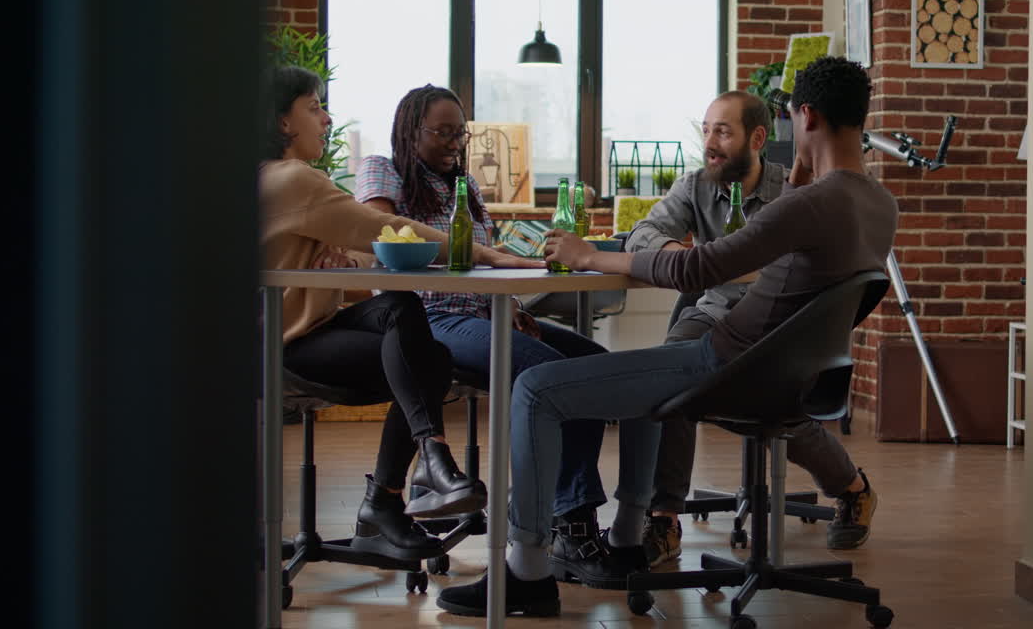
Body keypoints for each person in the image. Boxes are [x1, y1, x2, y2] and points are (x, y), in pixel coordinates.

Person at [436, 57, 897, 617]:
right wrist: (803, 171)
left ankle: (524, 571)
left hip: (723, 362)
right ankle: (630, 537)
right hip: (780, 372)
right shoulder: (878, 204)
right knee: (637, 370)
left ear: (805, 116)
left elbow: (696, 271)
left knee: (535, 389)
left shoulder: (807, 203)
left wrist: (589, 255)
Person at [260, 66, 538, 559]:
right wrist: (483, 252)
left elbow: (354, 260)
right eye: (315, 107)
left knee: (409, 321)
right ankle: (396, 489)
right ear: (283, 122)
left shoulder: (282, 181)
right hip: (287, 345)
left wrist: (345, 262)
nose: (327, 119)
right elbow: (385, 226)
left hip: (314, 327)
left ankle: (417, 474)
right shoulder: (292, 179)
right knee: (426, 355)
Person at [355, 85, 616, 586]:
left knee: (595, 366)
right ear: (411, 131)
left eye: (461, 132)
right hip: (425, 320)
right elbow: (385, 236)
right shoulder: (380, 169)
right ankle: (559, 526)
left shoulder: (465, 185)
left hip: (482, 313)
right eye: (443, 132)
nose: (455, 143)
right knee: (553, 377)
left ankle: (568, 521)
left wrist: (512, 303)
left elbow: (484, 258)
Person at [627, 90, 878, 565]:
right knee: (669, 372)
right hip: (716, 314)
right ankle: (664, 518)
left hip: (784, 323)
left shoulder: (797, 190)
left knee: (779, 400)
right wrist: (682, 255)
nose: (710, 143)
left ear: (758, 137)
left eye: (722, 131)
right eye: (706, 130)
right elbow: (643, 232)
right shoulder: (695, 186)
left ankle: (853, 487)